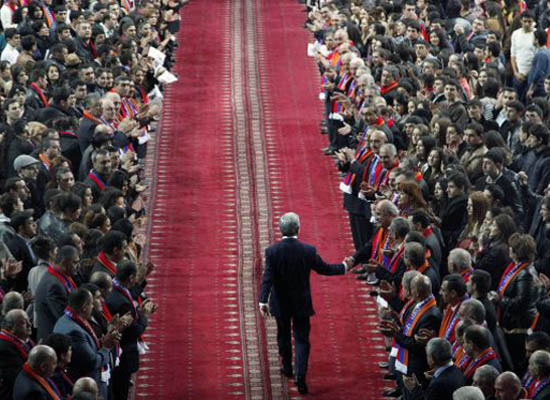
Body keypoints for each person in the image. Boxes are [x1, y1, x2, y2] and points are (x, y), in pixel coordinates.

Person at [259, 212, 351, 394]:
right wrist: (344, 266)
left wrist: (263, 300)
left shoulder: (272, 252)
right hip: (301, 303)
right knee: (302, 340)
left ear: (280, 229)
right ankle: (301, 377)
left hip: (280, 303)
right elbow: (325, 269)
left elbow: (267, 278)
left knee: (283, 335)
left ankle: (287, 367)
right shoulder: (308, 251)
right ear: (298, 229)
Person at [0, 309, 33, 400]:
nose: (29, 325)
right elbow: (16, 379)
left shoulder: (11, 342)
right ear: (12, 327)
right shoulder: (4, 349)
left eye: (29, 321)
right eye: (23, 323)